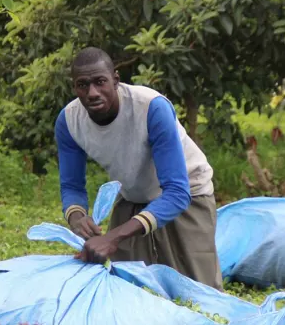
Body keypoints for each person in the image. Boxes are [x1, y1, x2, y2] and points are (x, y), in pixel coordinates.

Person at [54, 46, 223, 290]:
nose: (92, 93)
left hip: (187, 197)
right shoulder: (69, 121)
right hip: (133, 196)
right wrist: (77, 218)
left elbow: (176, 192)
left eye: (100, 82)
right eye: (83, 85)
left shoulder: (150, 108)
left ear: (116, 80)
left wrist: (112, 237)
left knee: (198, 293)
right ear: (74, 88)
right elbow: (71, 185)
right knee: (128, 288)